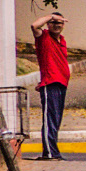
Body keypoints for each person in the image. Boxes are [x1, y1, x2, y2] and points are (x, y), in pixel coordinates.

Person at [31, 12, 70, 161]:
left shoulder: (62, 40)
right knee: (50, 119)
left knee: (56, 119)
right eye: (54, 23)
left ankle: (54, 151)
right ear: (48, 24)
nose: (57, 25)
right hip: (51, 83)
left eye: (60, 23)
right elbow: (34, 25)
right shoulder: (43, 36)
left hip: (62, 83)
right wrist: (52, 16)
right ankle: (49, 153)